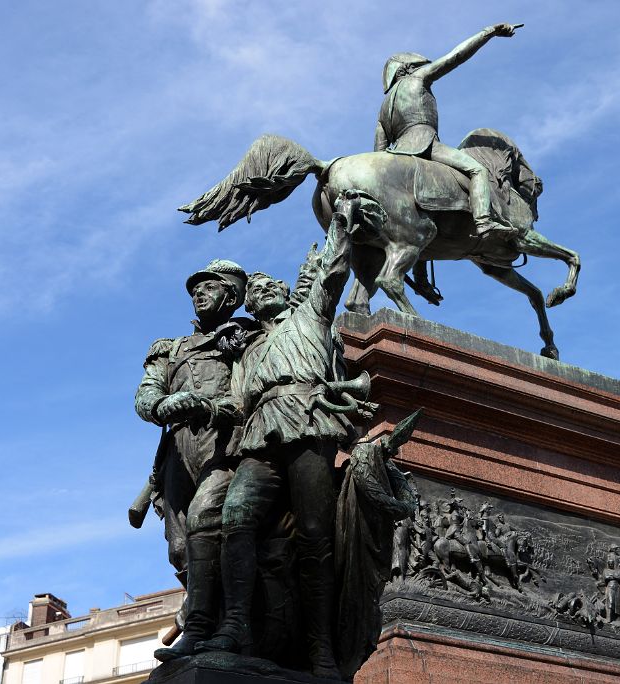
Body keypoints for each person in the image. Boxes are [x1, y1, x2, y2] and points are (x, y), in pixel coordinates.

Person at [195, 193, 362, 679]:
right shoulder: (248, 351)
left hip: (309, 417)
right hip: (260, 430)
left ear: (286, 292)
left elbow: (332, 269)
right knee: (236, 518)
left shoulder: (310, 315)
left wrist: (341, 224)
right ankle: (234, 626)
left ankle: (321, 649)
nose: (264, 288)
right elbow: (236, 402)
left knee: (316, 536)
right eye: (257, 288)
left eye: (271, 284)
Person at [133, 259, 252, 661]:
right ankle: (209, 614)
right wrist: (167, 403)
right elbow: (145, 398)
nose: (199, 293)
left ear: (231, 296)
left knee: (205, 520)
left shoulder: (245, 338)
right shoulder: (169, 349)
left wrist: (216, 408)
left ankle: (200, 627)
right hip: (177, 454)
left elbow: (255, 391)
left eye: (210, 286)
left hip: (224, 446)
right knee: (180, 550)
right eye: (195, 288)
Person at [375, 23, 521, 237]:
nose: (420, 68)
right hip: (425, 143)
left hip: (397, 153)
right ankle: (483, 222)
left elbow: (378, 155)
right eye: (416, 66)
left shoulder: (382, 109)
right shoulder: (418, 78)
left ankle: (420, 271)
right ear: (405, 69)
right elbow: (456, 56)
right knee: (477, 170)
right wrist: (489, 32)